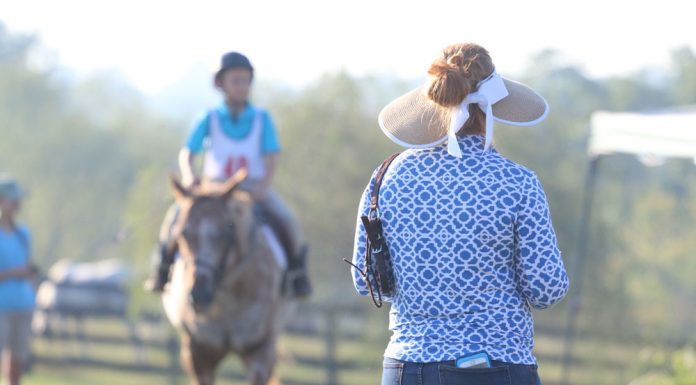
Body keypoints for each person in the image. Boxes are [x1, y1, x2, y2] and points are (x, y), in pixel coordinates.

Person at [350, 43, 569, 385]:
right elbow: (546, 288)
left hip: (408, 365)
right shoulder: (517, 182)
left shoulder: (386, 178)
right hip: (497, 365)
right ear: (494, 105)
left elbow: (367, 282)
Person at [146, 52, 312, 298]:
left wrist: (264, 186)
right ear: (221, 84)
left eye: (245, 81)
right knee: (175, 218)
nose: (242, 86)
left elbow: (271, 157)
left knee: (287, 220)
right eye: (236, 80)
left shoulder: (261, 118)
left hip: (251, 187)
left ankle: (297, 275)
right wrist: (190, 175)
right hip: (214, 189)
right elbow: (187, 153)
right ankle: (162, 269)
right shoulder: (209, 118)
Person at [0, 175, 37, 385]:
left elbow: (28, 267)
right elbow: (19, 270)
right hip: (1, 307)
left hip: (23, 306)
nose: (17, 204)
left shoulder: (23, 234)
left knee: (16, 367)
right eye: (12, 199)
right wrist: (16, 272)